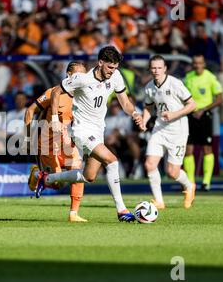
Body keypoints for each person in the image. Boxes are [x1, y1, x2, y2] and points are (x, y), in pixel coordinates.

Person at [35, 46, 144, 222]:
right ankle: (122, 210)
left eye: (115, 67)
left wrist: (135, 113)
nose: (112, 71)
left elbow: (124, 102)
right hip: (82, 130)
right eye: (110, 67)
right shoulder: (82, 79)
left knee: (89, 176)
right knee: (112, 161)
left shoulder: (115, 76)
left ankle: (46, 179)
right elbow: (56, 92)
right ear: (100, 62)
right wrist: (54, 118)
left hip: (98, 130)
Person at [26, 61, 87, 222]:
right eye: (77, 76)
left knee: (78, 172)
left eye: (83, 76)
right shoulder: (54, 92)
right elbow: (30, 110)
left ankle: (73, 214)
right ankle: (37, 174)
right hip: (47, 144)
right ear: (68, 75)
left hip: (69, 143)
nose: (81, 79)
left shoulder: (85, 97)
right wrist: (27, 137)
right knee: (57, 183)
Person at [141, 55, 197, 210]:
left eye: (159, 68)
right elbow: (148, 107)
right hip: (159, 128)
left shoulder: (175, 83)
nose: (156, 71)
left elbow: (192, 104)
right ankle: (159, 201)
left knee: (172, 172)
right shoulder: (149, 87)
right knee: (150, 164)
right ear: (150, 69)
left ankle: (189, 186)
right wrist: (144, 121)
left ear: (165, 68)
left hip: (178, 130)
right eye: (153, 68)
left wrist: (174, 114)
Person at [183, 54, 223, 192]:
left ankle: (206, 182)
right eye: (195, 63)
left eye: (200, 63)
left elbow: (219, 98)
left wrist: (204, 109)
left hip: (205, 115)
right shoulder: (188, 78)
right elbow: (182, 97)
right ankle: (191, 183)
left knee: (207, 148)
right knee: (188, 149)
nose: (197, 65)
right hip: (190, 115)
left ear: (204, 64)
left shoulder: (210, 77)